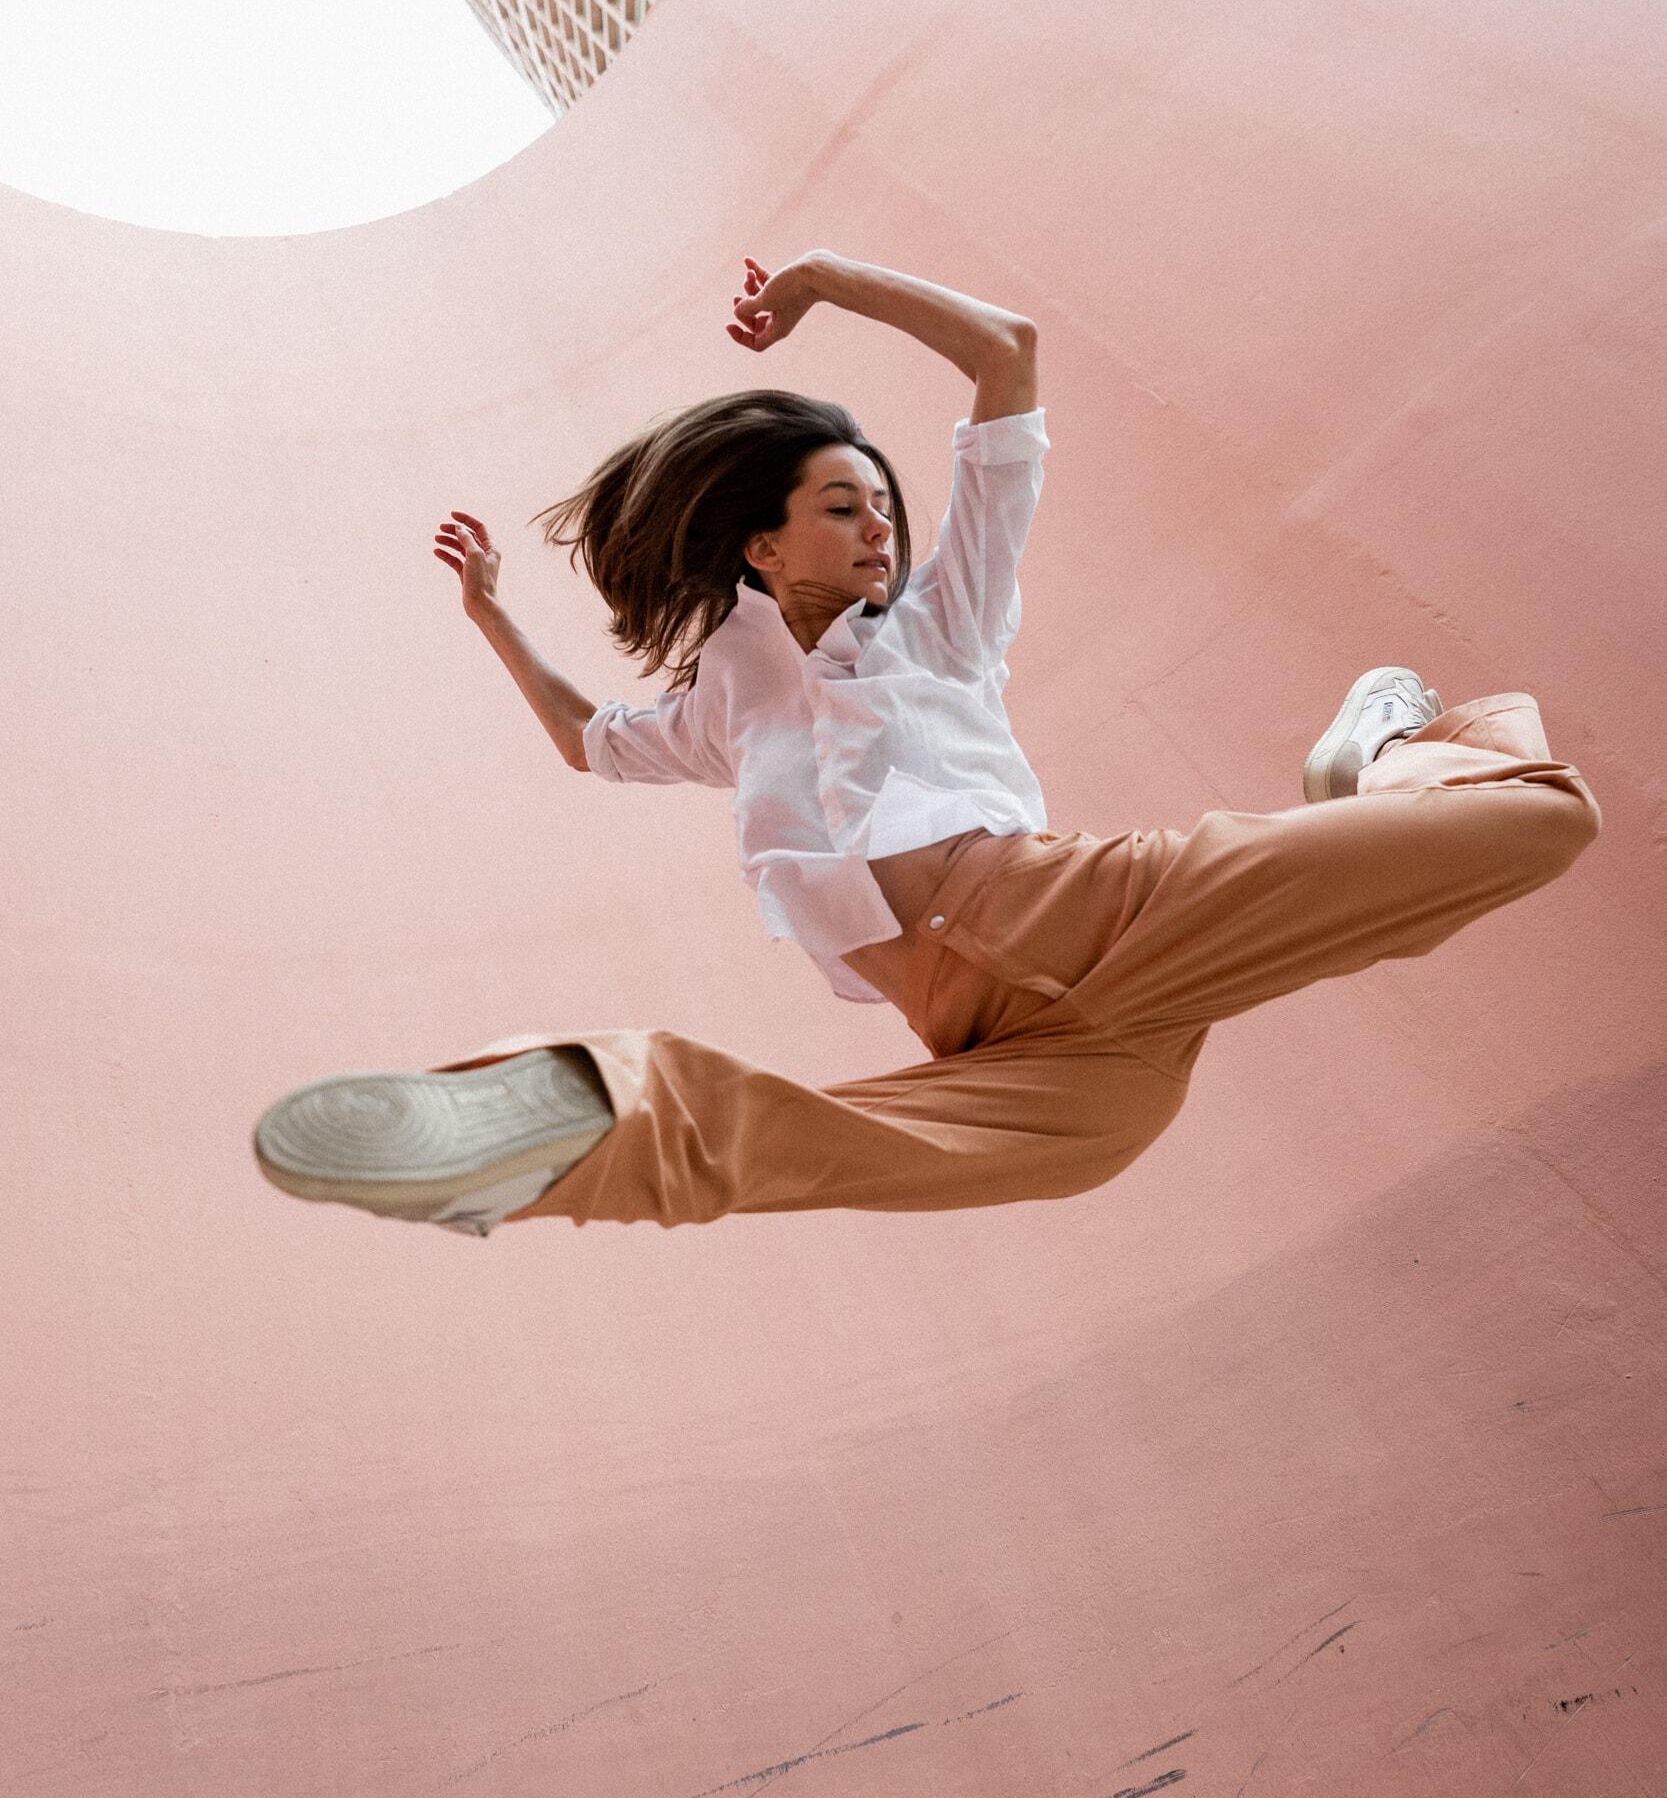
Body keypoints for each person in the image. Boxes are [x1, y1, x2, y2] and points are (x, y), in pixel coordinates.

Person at [253, 251, 1600, 1236]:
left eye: (884, 505)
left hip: (1081, 915)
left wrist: (828, 280)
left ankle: (1385, 756)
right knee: (936, 1149)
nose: (881, 526)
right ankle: (584, 1126)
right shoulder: (725, 702)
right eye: (844, 506)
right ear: (761, 546)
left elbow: (1007, 353)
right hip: (1019, 1054)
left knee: (1542, 816)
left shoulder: (943, 623)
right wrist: (491, 615)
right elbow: (583, 740)